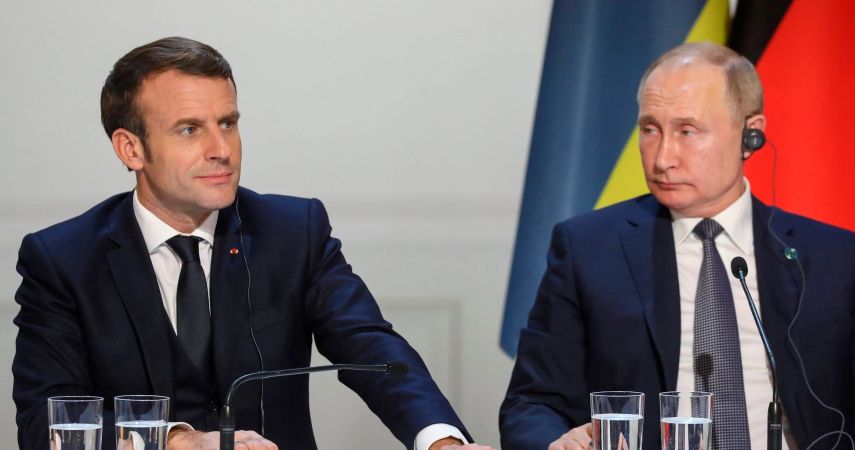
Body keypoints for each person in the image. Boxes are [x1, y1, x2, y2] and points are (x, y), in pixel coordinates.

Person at [12, 36, 494, 450]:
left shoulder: (293, 230)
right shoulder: (63, 260)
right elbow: (45, 425)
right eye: (189, 129)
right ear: (131, 149)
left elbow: (373, 351)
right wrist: (175, 439)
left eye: (228, 122)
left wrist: (440, 439)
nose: (221, 149)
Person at [499, 42, 855, 450]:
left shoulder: (833, 258)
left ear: (750, 134)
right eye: (650, 130)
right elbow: (531, 403)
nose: (662, 158)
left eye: (687, 131)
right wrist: (555, 444)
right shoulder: (588, 250)